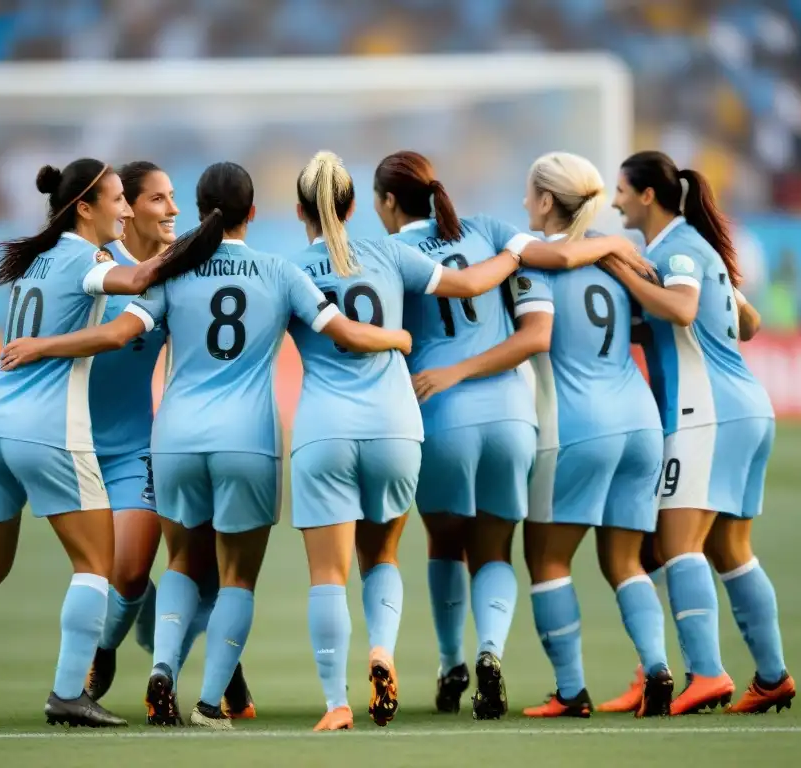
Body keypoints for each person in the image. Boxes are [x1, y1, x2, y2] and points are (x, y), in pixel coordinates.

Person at [0, 161, 411, 730]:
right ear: (254, 213)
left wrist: (44, 346)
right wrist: (399, 336)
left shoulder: (176, 274)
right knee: (237, 578)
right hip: (247, 439)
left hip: (175, 440)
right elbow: (342, 331)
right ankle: (211, 702)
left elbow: (119, 334)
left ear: (197, 211)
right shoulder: (278, 270)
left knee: (183, 566)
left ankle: (162, 669)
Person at [0, 157, 204, 728]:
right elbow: (137, 278)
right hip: (43, 429)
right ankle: (69, 694)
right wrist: (207, 236)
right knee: (96, 564)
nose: (124, 210)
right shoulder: (86, 257)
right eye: (117, 200)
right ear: (85, 208)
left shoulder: (35, 260)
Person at [373, 150, 646, 719]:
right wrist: (617, 243)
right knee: (494, 550)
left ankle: (452, 664)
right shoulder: (490, 231)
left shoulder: (389, 253)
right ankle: (490, 652)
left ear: (389, 201)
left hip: (440, 412)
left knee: (445, 542)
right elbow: (563, 254)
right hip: (512, 418)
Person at [287, 151, 530, 730]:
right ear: (352, 206)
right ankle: (387, 651)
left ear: (301, 209)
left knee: (330, 574)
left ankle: (337, 702)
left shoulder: (289, 270)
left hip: (328, 429)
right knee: (387, 555)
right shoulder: (393, 253)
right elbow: (472, 281)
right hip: (399, 425)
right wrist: (515, 251)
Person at [604, 151, 793, 716]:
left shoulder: (676, 251)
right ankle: (772, 676)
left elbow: (683, 310)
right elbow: (751, 323)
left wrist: (622, 273)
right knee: (733, 552)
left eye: (620, 190)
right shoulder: (695, 249)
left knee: (673, 545)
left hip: (703, 411)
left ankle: (707, 674)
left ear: (646, 196)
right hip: (748, 406)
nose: (614, 200)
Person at [489, 152, 673, 719]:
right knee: (625, 562)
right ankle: (659, 670)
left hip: (575, 424)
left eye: (529, 193)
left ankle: (571, 690)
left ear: (546, 201)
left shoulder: (535, 262)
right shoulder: (623, 258)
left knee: (546, 560)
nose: (523, 203)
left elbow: (536, 336)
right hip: (640, 422)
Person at [81, 161, 253, 718]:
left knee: (134, 571)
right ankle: (212, 675)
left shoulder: (170, 274)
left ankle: (105, 651)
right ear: (125, 208)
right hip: (74, 443)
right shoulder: (91, 268)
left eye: (175, 198)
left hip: (138, 444)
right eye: (159, 199)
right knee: (127, 570)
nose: (174, 210)